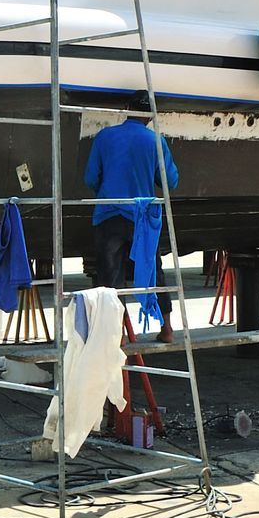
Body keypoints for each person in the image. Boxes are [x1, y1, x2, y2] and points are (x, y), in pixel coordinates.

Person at [83, 93, 179, 341]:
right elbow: (170, 182)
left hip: (109, 215)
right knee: (152, 270)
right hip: (142, 218)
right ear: (150, 116)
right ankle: (166, 328)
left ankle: (118, 335)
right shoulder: (155, 140)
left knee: (109, 276)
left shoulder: (105, 137)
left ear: (126, 109)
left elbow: (90, 178)